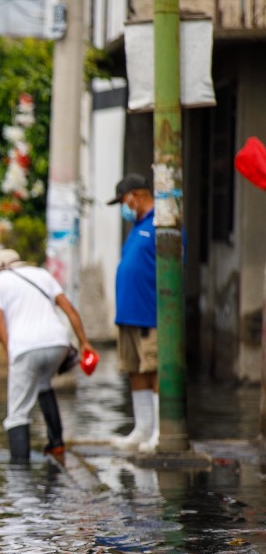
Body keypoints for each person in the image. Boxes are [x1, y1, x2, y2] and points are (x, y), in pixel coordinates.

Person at [0, 248, 96, 463]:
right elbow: (70, 309)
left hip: (25, 347)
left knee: (17, 412)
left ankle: (19, 468)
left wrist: (9, 350)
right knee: (43, 384)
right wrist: (84, 342)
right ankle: (56, 444)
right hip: (58, 343)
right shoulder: (42, 274)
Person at [106, 173, 159, 451]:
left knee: (155, 369)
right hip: (128, 313)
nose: (122, 208)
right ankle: (143, 428)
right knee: (134, 369)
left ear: (134, 196)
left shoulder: (160, 225)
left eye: (123, 202)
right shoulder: (138, 227)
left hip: (149, 313)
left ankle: (161, 431)